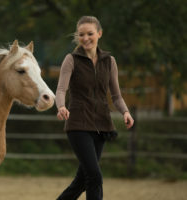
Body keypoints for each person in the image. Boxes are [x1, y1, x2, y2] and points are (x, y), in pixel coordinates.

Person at [55, 16, 134, 200]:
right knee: (95, 176)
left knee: (83, 180)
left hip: (101, 126)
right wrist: (61, 106)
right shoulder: (71, 59)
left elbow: (116, 96)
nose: (85, 38)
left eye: (90, 33)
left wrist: (126, 112)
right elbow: (61, 89)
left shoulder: (109, 61)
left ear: (99, 33)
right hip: (78, 125)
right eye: (81, 34)